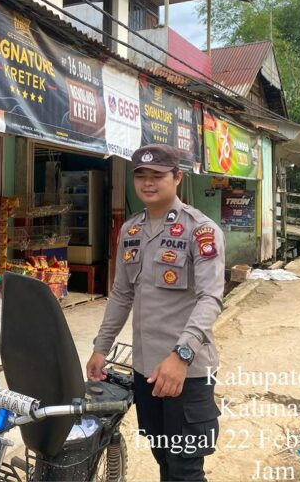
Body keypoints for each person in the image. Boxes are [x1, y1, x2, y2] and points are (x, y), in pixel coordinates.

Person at [86, 144, 224, 482]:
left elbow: (210, 298)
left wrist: (181, 355)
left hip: (186, 372)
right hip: (146, 371)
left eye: (158, 175)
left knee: (185, 469)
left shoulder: (200, 230)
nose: (148, 183)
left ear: (177, 178)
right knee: (163, 458)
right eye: (141, 176)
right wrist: (101, 347)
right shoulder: (131, 231)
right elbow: (122, 294)